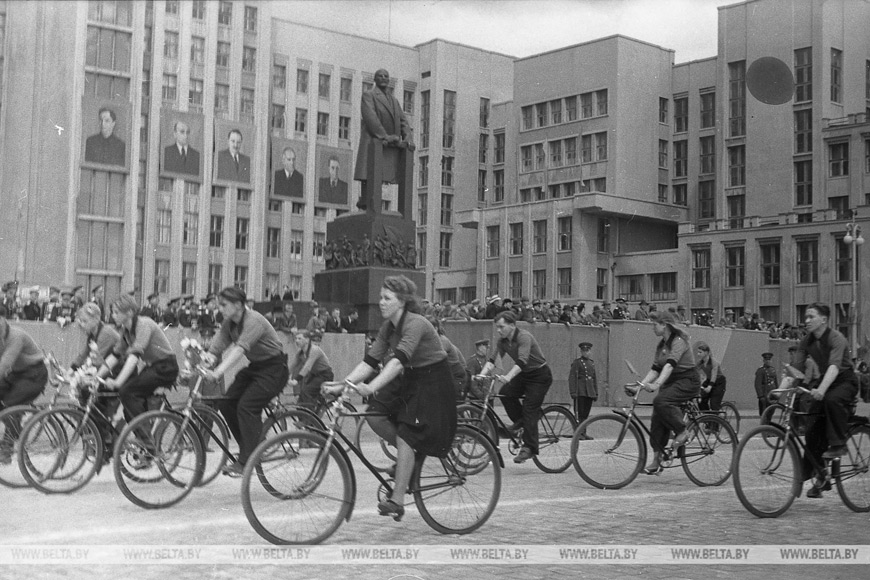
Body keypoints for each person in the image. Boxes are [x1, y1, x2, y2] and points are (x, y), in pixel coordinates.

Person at [324, 275, 456, 521]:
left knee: (407, 433)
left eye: (387, 298)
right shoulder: (388, 327)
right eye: (380, 298)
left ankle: (397, 500)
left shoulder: (416, 323)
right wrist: (343, 384)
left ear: (403, 302)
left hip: (433, 381)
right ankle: (410, 460)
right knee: (374, 414)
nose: (381, 303)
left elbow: (397, 362)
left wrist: (371, 386)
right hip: (410, 377)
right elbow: (369, 361)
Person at [201, 287, 289, 477]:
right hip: (257, 367)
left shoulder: (253, 320)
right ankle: (249, 450)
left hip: (274, 369)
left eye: (224, 305)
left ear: (239, 305)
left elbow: (239, 350)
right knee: (226, 402)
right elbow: (216, 348)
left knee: (246, 406)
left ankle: (248, 457)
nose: (220, 309)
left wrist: (217, 372)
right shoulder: (229, 323)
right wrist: (202, 362)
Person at [793, 302, 861, 498]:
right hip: (826, 379)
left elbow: (834, 367)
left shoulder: (836, 338)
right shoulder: (807, 340)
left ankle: (839, 444)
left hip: (844, 379)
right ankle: (821, 476)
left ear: (823, 319)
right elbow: (796, 368)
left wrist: (821, 389)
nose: (806, 321)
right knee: (812, 425)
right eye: (805, 317)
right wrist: (782, 388)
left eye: (811, 317)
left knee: (832, 400)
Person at [625, 310, 699, 475]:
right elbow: (655, 369)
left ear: (664, 325)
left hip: (688, 380)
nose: (652, 327)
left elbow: (670, 365)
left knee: (661, 401)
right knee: (657, 416)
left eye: (654, 323)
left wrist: (656, 384)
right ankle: (657, 460)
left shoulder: (679, 341)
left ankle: (682, 431)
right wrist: (640, 386)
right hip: (672, 381)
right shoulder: (661, 345)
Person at [478, 310, 552, 464]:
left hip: (540, 375)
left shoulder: (524, 336)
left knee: (530, 409)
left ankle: (529, 448)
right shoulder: (503, 341)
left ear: (512, 325)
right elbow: (492, 360)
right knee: (506, 393)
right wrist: (481, 374)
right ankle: (521, 424)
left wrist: (508, 377)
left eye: (501, 327)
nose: (498, 330)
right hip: (524, 374)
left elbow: (522, 361)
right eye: (497, 327)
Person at [103, 295, 179, 426]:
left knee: (127, 392)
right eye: (112, 312)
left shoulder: (143, 325)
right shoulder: (126, 331)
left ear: (130, 313)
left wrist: (117, 382)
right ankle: (144, 434)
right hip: (154, 367)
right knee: (129, 405)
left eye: (116, 312)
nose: (113, 316)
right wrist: (95, 376)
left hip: (166, 367)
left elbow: (133, 358)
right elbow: (114, 356)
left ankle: (146, 442)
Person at [354, 68, 414, 211]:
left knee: (385, 175)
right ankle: (365, 201)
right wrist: (385, 136)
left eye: (386, 76)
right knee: (370, 176)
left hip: (390, 146)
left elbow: (403, 120)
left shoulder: (394, 100)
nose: (383, 78)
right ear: (375, 79)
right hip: (374, 144)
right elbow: (371, 118)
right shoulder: (369, 95)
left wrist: (408, 138)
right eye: (380, 76)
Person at [71, 302, 122, 452]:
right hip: (105, 371)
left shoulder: (105, 333)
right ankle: (98, 434)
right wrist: (70, 370)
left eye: (84, 321)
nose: (81, 324)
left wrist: (80, 375)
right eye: (80, 321)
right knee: (85, 393)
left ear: (96, 319)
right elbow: (84, 354)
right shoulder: (93, 333)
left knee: (88, 392)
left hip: (116, 373)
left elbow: (97, 361)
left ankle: (104, 434)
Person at [0, 317, 48, 463]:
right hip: (17, 374)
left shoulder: (16, 336)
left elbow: (4, 365)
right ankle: (14, 435)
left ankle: (10, 446)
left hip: (34, 375)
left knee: (9, 405)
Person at [288, 330, 334, 410]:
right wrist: (285, 376)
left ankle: (309, 419)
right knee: (301, 394)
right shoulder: (300, 353)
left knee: (307, 391)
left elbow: (307, 367)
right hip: (314, 375)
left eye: (299, 338)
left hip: (324, 375)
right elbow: (293, 366)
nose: (296, 341)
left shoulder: (314, 350)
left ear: (307, 340)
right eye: (296, 338)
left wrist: (296, 380)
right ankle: (302, 418)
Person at [426, 315, 467, 401]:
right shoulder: (431, 340)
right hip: (446, 374)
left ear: (436, 328)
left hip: (455, 375)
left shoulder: (442, 341)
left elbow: (435, 359)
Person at [568, 342, 598, 439]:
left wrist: (595, 392)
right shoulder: (577, 363)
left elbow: (594, 379)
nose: (586, 353)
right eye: (584, 351)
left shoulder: (591, 363)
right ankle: (578, 433)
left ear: (590, 351)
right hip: (580, 391)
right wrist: (573, 391)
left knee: (585, 414)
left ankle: (583, 432)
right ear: (581, 351)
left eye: (588, 351)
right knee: (579, 413)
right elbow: (572, 377)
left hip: (589, 392)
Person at [694, 341, 726, 412]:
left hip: (719, 382)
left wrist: (709, 387)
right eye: (698, 352)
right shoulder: (701, 362)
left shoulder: (713, 362)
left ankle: (716, 421)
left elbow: (714, 375)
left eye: (700, 352)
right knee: (701, 400)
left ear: (706, 353)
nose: (698, 354)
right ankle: (708, 418)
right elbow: (694, 371)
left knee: (714, 404)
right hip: (709, 380)